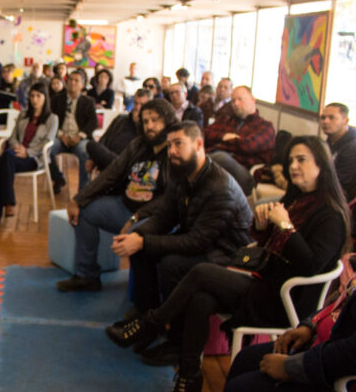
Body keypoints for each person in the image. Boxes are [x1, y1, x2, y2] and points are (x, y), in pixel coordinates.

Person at [106, 136, 350, 392]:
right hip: (265, 282)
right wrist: (262, 224)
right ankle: (189, 378)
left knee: (199, 272)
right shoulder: (297, 198)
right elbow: (269, 244)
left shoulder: (331, 214)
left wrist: (285, 226)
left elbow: (309, 265)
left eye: (301, 160)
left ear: (321, 164)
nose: (293, 166)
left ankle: (151, 324)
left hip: (286, 299)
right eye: (291, 160)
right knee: (200, 299)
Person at [107, 121, 252, 367]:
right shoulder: (181, 173)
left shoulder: (220, 188)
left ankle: (176, 342)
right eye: (169, 145)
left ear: (198, 144)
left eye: (178, 144)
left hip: (228, 255)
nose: (172, 151)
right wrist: (139, 237)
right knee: (140, 244)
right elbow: (165, 217)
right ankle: (147, 322)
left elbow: (197, 242)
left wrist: (144, 242)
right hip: (203, 243)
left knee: (171, 264)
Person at [56, 99, 178, 292]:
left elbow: (170, 198)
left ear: (168, 121)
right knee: (85, 211)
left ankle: (142, 300)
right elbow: (112, 173)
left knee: (138, 233)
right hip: (124, 206)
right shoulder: (138, 144)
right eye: (145, 121)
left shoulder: (175, 150)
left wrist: (135, 218)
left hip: (153, 218)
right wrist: (78, 200)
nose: (150, 126)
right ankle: (87, 276)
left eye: (155, 120)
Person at [224, 255, 356, 392]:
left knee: (240, 387)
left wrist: (290, 367)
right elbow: (335, 305)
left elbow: (350, 355)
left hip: (336, 375)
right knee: (245, 358)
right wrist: (309, 326)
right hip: (320, 348)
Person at [0, 82, 57, 225]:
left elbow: (48, 141)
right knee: (4, 161)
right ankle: (7, 204)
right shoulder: (24, 114)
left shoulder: (52, 118)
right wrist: (18, 148)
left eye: (38, 96)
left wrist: (27, 152)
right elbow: (13, 136)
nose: (34, 99)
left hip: (34, 159)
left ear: (45, 97)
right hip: (15, 155)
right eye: (32, 96)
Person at [205, 85, 275, 196]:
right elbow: (203, 134)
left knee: (219, 158)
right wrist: (223, 137)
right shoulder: (226, 120)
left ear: (252, 99)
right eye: (233, 101)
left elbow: (249, 146)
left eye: (240, 99)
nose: (235, 104)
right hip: (217, 165)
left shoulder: (265, 126)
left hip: (245, 172)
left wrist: (221, 144)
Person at [49, 71, 98, 193]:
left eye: (76, 80)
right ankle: (58, 178)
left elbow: (93, 122)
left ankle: (83, 190)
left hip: (80, 138)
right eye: (70, 79)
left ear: (82, 85)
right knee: (47, 148)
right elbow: (50, 119)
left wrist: (79, 136)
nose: (72, 83)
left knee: (83, 151)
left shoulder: (88, 101)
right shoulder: (56, 99)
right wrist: (61, 135)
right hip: (61, 138)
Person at [84, 88, 151, 174]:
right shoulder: (121, 119)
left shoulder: (148, 126)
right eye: (136, 103)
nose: (137, 108)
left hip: (128, 165)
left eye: (142, 104)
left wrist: (139, 121)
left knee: (92, 146)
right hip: (111, 159)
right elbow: (105, 138)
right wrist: (92, 159)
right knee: (91, 145)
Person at [321, 103, 356, 200]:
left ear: (346, 121)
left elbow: (338, 183)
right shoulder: (329, 141)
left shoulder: (352, 148)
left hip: (338, 200)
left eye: (331, 118)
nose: (325, 121)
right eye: (323, 118)